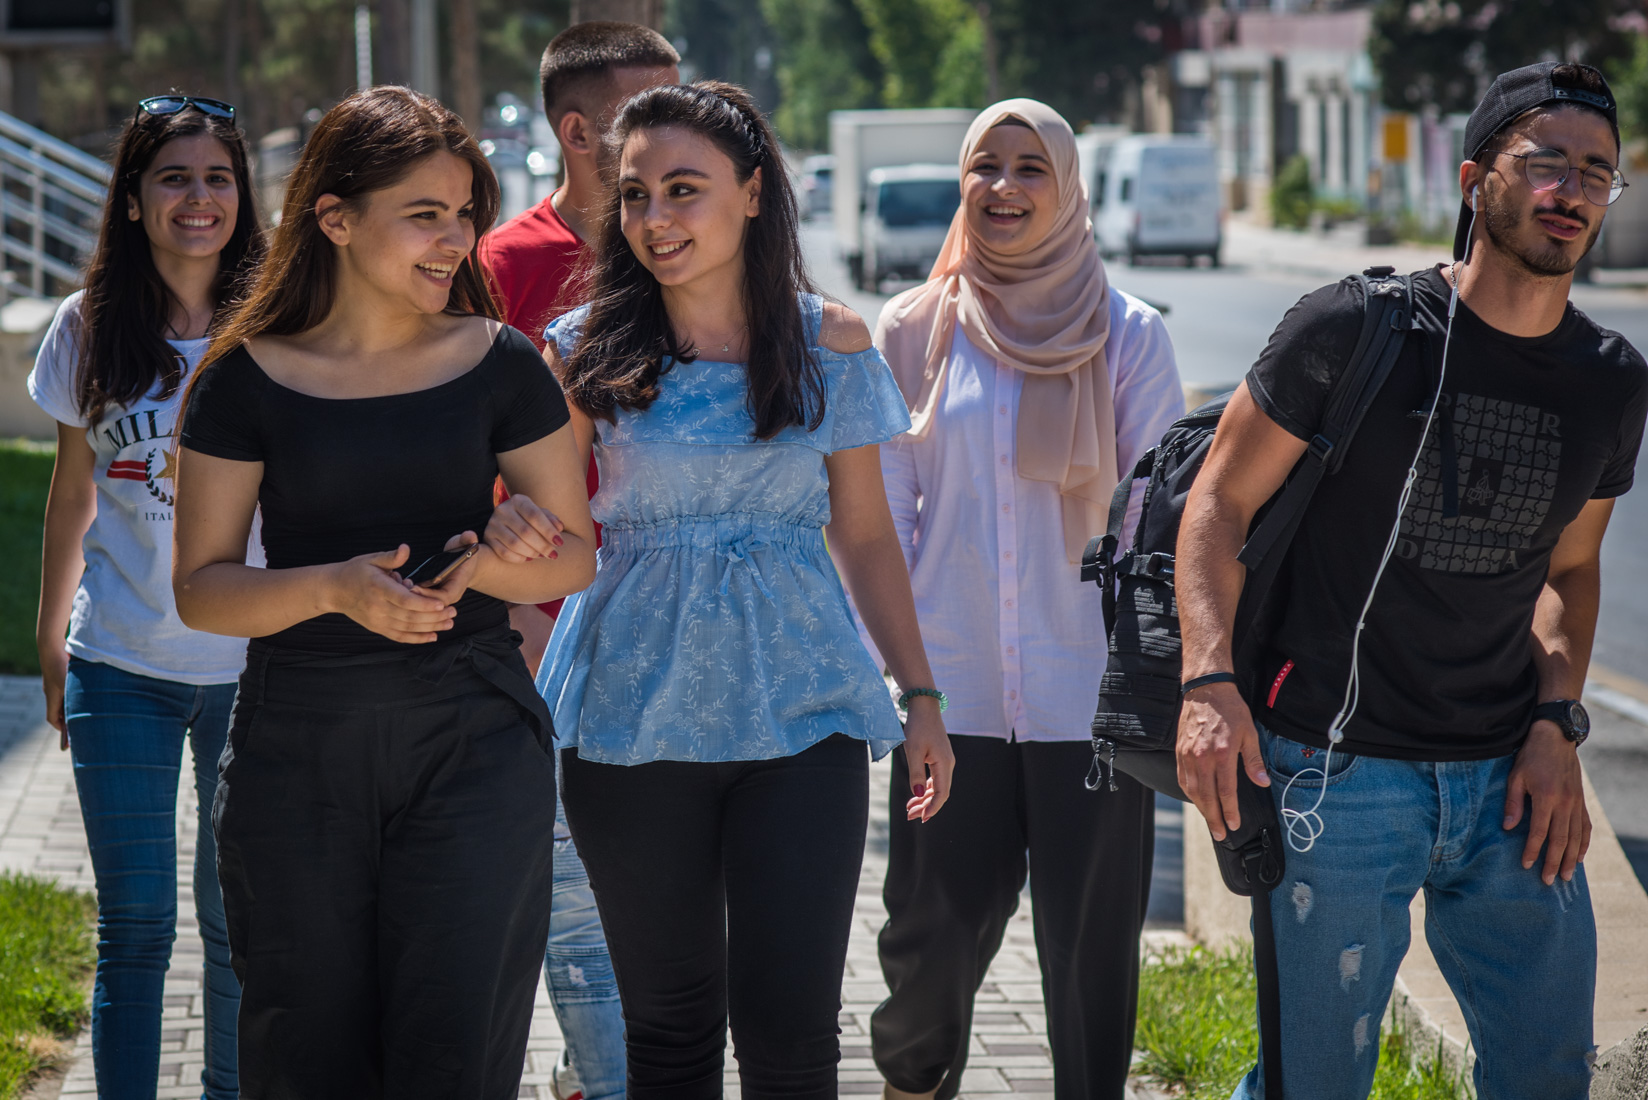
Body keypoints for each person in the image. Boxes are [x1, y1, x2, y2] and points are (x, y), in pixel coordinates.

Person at [1175, 61, 1644, 1100]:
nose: (1571, 190)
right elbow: (1218, 503)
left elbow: (1570, 567)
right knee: (1313, 1082)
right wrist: (1207, 685)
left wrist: (1556, 722)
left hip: (1508, 780)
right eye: (1547, 162)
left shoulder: (1611, 380)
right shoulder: (1354, 327)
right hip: (1333, 775)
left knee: (1548, 1073)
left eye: (1596, 172)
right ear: (1475, 179)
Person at [171, 86, 596, 1099]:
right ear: (335, 217)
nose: (456, 241)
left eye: (465, 215)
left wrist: (490, 563)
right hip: (295, 756)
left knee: (455, 1058)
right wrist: (334, 589)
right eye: (425, 214)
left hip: (475, 744)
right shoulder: (241, 380)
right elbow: (202, 589)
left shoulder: (503, 362)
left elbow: (574, 556)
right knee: (305, 1060)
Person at [532, 80, 953, 1099]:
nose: (656, 218)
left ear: (754, 192)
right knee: (669, 1034)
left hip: (802, 715)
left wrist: (921, 695)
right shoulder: (579, 349)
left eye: (685, 189)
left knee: (793, 1034)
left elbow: (864, 534)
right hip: (629, 720)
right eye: (636, 195)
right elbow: (545, 536)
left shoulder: (830, 342)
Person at [865, 99, 1185, 1100]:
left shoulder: (1128, 334)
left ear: (1068, 187)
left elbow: (1155, 521)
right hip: (948, 697)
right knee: (926, 945)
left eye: (1029, 167)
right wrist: (900, 682)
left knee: (1091, 959)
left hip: (1088, 701)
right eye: (984, 165)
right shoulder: (914, 329)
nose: (1002, 188)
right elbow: (885, 518)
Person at [29, 94, 264, 1100]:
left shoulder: (279, 319)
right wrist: (51, 638)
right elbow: (71, 493)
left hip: (251, 667)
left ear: (242, 194)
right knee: (134, 926)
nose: (197, 197)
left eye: (217, 177)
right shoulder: (86, 326)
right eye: (174, 178)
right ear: (132, 199)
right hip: (120, 662)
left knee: (235, 923)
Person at [479, 29, 676, 1094]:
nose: (677, 134)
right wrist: (513, 608)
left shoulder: (703, 253)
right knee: (575, 910)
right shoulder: (505, 266)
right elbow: (458, 447)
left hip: (685, 630)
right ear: (576, 132)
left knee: (666, 910)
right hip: (550, 637)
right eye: (648, 113)